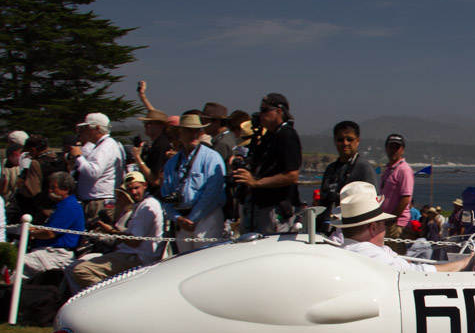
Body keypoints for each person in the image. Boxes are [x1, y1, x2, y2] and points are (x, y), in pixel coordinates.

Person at [68, 172, 164, 290]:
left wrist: (111, 231)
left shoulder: (147, 206)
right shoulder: (139, 206)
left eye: (136, 188)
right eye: (130, 189)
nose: (133, 192)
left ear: (144, 185)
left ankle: (110, 297)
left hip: (137, 256)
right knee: (73, 267)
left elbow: (134, 241)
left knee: (82, 271)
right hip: (128, 253)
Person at [333, 192, 473, 272]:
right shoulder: (365, 251)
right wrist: (462, 263)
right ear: (373, 228)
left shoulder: (347, 248)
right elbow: (416, 273)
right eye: (384, 223)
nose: (385, 229)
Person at [233, 93, 302, 235]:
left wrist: (256, 183)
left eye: (264, 110)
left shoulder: (287, 135)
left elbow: (292, 175)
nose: (260, 114)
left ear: (279, 112)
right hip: (261, 207)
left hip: (276, 209)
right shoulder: (270, 136)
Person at [161, 114, 226, 253]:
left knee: (206, 261)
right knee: (184, 263)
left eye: (197, 131)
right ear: (180, 133)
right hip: (182, 220)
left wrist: (192, 219)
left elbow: (212, 194)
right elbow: (166, 195)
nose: (194, 135)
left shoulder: (212, 158)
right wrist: (177, 218)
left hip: (206, 217)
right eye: (189, 131)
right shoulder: (172, 163)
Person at [18, 172, 85, 279]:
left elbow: (50, 233)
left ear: (66, 189)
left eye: (54, 188)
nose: (50, 190)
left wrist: (31, 232)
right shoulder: (62, 206)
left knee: (17, 265)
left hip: (56, 254)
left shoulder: (69, 206)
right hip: (47, 251)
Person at [316, 121, 376, 232]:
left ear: (357, 141)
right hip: (326, 228)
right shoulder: (330, 169)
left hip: (352, 230)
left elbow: (371, 204)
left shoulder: (364, 168)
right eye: (340, 140)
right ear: (335, 141)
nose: (345, 143)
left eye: (349, 139)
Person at [69, 112, 126, 223]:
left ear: (97, 128)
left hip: (98, 202)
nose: (84, 131)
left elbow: (94, 172)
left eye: (87, 127)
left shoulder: (105, 147)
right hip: (97, 200)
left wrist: (78, 156)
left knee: (96, 237)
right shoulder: (107, 145)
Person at [15, 134, 65, 223]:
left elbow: (32, 191)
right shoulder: (61, 159)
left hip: (42, 209)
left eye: (29, 152)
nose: (29, 155)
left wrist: (20, 185)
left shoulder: (36, 163)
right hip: (61, 205)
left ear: (33, 150)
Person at [378, 133, 414, 254]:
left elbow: (405, 198)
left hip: (396, 224)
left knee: (396, 257)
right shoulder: (389, 169)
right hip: (386, 222)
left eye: (396, 147)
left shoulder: (404, 169)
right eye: (391, 147)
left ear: (402, 150)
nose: (393, 150)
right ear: (386, 148)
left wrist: (392, 218)